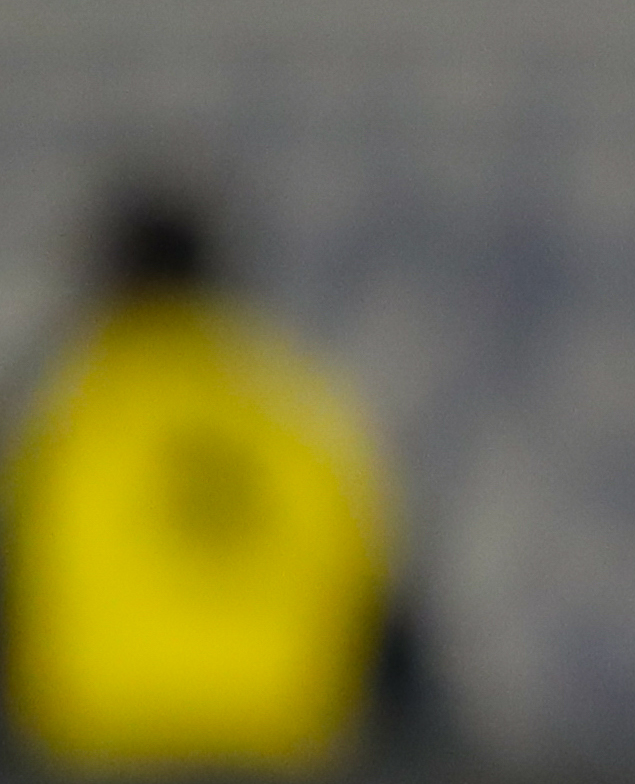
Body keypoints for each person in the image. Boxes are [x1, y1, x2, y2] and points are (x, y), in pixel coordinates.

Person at [3, 181, 413, 773]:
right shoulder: (295, 408)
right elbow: (379, 599)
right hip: (282, 734)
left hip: (102, 734)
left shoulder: (66, 408)